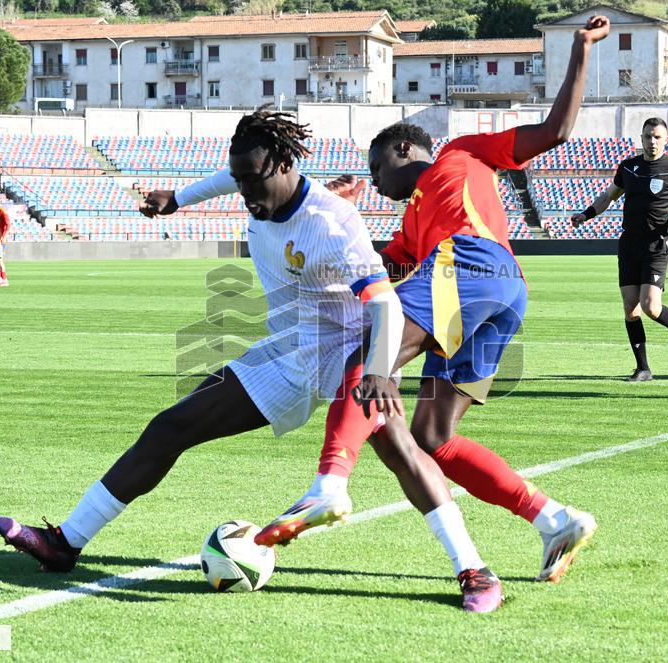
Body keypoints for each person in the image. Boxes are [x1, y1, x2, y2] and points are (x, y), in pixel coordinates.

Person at [155, 15, 611, 585]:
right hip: (499, 296)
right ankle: (553, 519)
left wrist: (581, 50)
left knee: (374, 349)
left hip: (472, 262)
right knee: (433, 439)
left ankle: (329, 485)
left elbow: (556, 131)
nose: (375, 183)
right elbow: (361, 264)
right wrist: (330, 203)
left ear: (403, 148)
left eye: (376, 170)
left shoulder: (461, 154)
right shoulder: (414, 232)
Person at [0, 110, 504, 613]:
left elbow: (385, 303)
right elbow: (230, 176)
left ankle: (476, 572)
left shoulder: (331, 223)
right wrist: (179, 199)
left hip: (349, 352)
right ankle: (67, 541)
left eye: (251, 181)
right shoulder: (256, 187)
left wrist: (375, 371)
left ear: (283, 166)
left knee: (403, 455)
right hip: (286, 352)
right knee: (173, 426)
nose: (243, 193)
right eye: (238, 180)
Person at [572, 118, 668, 382]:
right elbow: (609, 196)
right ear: (641, 138)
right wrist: (586, 215)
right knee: (630, 309)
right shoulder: (629, 167)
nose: (652, 142)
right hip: (629, 243)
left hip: (657, 244)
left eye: (657, 137)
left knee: (650, 307)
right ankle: (643, 368)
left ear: (666, 140)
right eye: (647, 137)